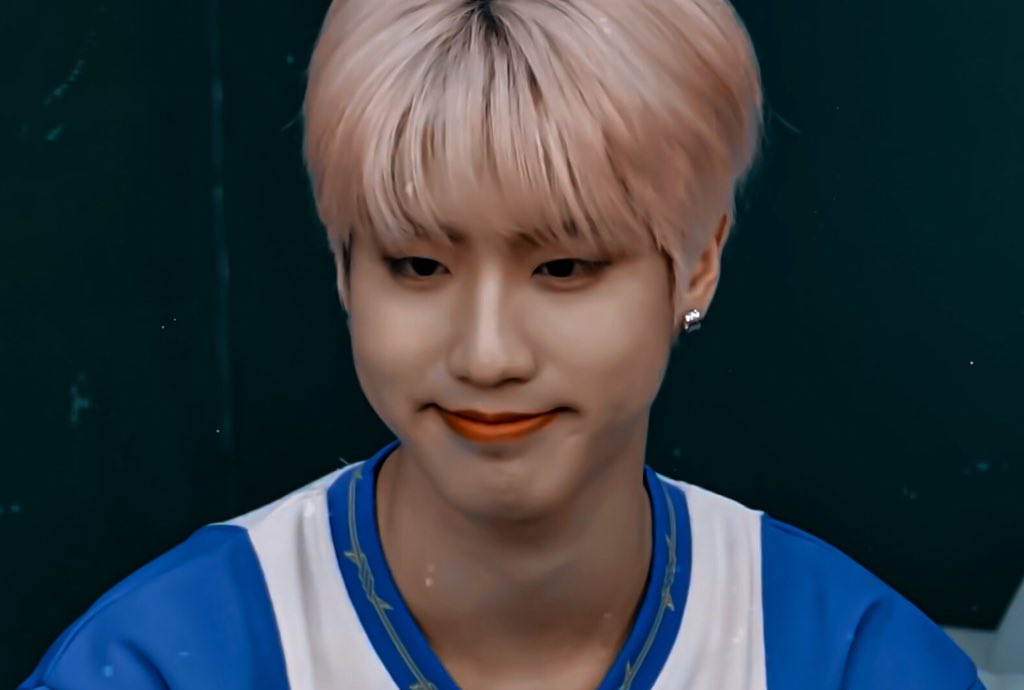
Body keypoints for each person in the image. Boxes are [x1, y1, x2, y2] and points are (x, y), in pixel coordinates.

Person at [20, 0, 986, 688]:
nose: (486, 356)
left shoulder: (852, 661)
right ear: (343, 265)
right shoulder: (158, 664)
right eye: (417, 265)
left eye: (564, 266)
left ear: (698, 265)